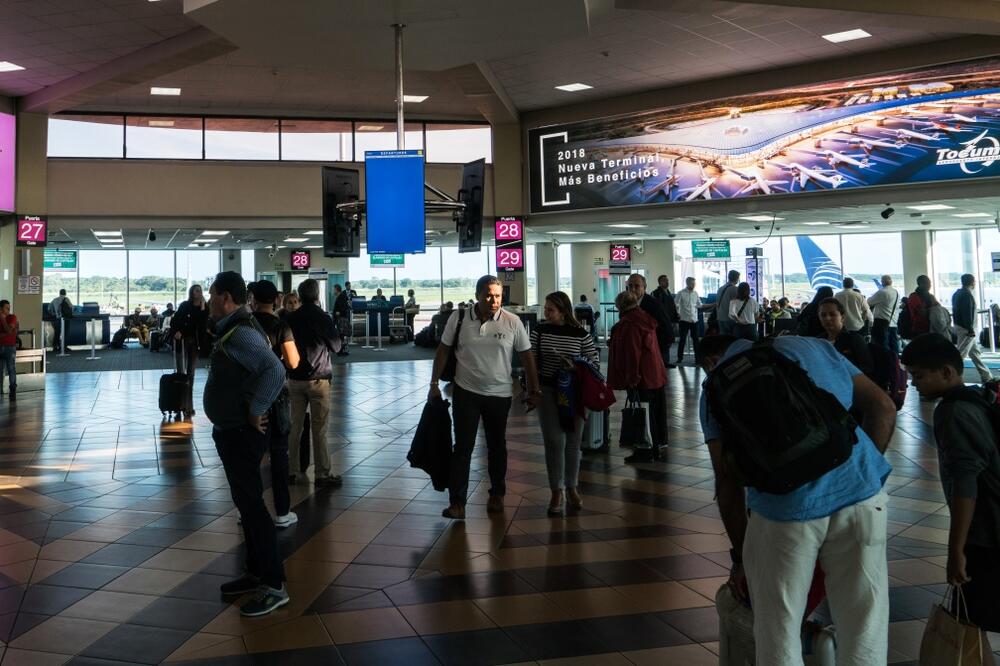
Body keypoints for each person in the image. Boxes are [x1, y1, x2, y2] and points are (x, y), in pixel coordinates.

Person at [699, 333, 896, 666]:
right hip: (861, 498)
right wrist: (861, 473)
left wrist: (740, 555)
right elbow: (883, 407)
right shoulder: (815, 347)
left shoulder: (717, 385)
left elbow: (728, 483)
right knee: (864, 624)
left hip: (782, 514)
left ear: (711, 361)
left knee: (777, 628)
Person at [900, 334, 1000, 654]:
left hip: (986, 532)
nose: (914, 383)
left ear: (946, 372)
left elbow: (965, 484)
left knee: (970, 617)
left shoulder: (953, 413)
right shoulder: (977, 398)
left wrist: (956, 548)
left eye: (918, 375)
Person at [203, 271, 288, 617]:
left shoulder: (241, 333)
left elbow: (276, 371)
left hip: (241, 433)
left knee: (252, 507)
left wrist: (256, 410)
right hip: (232, 431)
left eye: (212, 296)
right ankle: (255, 571)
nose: (208, 303)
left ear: (226, 298)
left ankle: (274, 584)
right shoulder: (234, 330)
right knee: (245, 503)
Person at [429, 275, 541, 520]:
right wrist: (434, 383)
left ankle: (497, 494)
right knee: (463, 448)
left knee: (496, 445)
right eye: (489, 295)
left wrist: (534, 389)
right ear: (477, 295)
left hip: (499, 394)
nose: (494, 300)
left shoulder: (512, 322)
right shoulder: (458, 319)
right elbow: (444, 350)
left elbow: (527, 356)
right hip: (466, 392)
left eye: (498, 296)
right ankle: (457, 502)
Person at [531, 291, 599, 516]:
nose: (546, 312)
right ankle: (556, 489)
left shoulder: (580, 334)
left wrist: (575, 366)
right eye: (545, 308)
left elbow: (594, 362)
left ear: (563, 311)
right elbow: (531, 358)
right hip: (549, 390)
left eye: (551, 309)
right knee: (554, 440)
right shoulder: (539, 331)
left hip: (575, 392)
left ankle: (571, 486)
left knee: (573, 441)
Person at [249, 280, 301, 528]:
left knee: (251, 456)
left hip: (249, 398)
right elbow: (293, 362)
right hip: (277, 395)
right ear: (276, 300)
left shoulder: (245, 325)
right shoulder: (282, 326)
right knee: (279, 454)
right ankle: (282, 512)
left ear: (253, 299)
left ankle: (247, 511)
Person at [286, 279, 341, 487]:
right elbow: (336, 347)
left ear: (299, 296)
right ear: (317, 295)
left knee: (295, 427)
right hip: (319, 380)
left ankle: (291, 471)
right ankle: (322, 474)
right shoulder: (323, 318)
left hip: (295, 379)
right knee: (319, 430)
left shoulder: (291, 319)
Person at [608, 290, 667, 463]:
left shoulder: (630, 324)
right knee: (651, 413)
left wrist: (632, 378)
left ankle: (645, 450)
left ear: (620, 306)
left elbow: (633, 354)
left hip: (642, 378)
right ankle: (654, 448)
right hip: (654, 374)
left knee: (643, 414)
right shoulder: (644, 318)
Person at [169, 284, 210, 413]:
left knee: (191, 370)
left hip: (195, 341)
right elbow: (174, 320)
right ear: (192, 293)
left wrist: (203, 308)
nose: (199, 293)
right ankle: (180, 396)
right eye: (196, 291)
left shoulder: (205, 308)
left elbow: (203, 323)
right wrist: (177, 331)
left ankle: (188, 396)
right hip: (183, 339)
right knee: (181, 369)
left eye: (200, 291)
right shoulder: (185, 305)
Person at [626, 273, 674, 369]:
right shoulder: (628, 303)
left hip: (653, 349)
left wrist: (660, 351)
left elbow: (665, 326)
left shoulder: (653, 304)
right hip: (637, 350)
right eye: (630, 286)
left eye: (637, 286)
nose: (633, 289)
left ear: (644, 287)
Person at [819, 297, 874, 379]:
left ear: (842, 317)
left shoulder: (854, 339)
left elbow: (868, 368)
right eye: (823, 315)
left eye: (832, 314)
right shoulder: (818, 341)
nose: (827, 318)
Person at [953, 273, 994, 384]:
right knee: (961, 354)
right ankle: (952, 378)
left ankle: (987, 376)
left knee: (975, 354)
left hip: (960, 327)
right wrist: (970, 329)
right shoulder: (967, 295)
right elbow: (967, 313)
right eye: (974, 281)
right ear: (972, 282)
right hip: (967, 329)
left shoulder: (957, 293)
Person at [868, 275, 901, 353]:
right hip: (893, 322)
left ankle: (886, 363)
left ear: (882, 282)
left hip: (882, 323)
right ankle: (895, 362)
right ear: (891, 282)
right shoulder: (896, 293)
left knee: (883, 346)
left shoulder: (882, 292)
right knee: (893, 345)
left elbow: (869, 302)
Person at [675, 277, 702, 364]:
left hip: (694, 320)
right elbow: (676, 304)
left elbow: (699, 305)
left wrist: (711, 305)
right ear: (687, 283)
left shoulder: (695, 293)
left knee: (696, 340)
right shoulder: (681, 293)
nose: (694, 285)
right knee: (682, 340)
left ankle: (698, 359)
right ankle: (680, 358)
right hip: (684, 320)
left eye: (694, 283)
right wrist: (678, 313)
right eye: (692, 283)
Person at [651, 274, 679, 342]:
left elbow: (672, 306)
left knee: (668, 341)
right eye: (665, 280)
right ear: (660, 282)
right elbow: (656, 309)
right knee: (662, 342)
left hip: (670, 320)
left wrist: (676, 317)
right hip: (661, 322)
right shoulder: (656, 293)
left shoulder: (668, 293)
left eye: (667, 280)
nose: (667, 282)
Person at [714, 270, 740, 336]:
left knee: (723, 340)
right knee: (732, 339)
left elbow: (717, 304)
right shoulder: (735, 289)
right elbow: (737, 305)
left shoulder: (720, 289)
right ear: (736, 278)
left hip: (720, 318)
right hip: (730, 319)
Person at [0, 300, 17, 401]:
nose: (8, 310)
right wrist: (9, 333)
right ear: (1, 309)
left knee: (11, 368)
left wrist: (2, 319)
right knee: (1, 369)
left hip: (10, 347)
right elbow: (9, 332)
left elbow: (8, 329)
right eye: (6, 308)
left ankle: (13, 390)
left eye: (9, 308)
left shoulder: (12, 317)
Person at [50, 288, 73, 353]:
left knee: (57, 333)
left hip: (56, 319)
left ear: (59, 293)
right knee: (65, 333)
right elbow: (71, 307)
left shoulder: (54, 300)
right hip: (65, 319)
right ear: (65, 293)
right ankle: (64, 347)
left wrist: (54, 314)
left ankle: (55, 347)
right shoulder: (66, 299)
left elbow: (49, 308)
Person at [332, 284, 351, 356]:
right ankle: (341, 350)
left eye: (334, 289)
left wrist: (338, 313)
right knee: (341, 335)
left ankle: (341, 350)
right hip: (341, 318)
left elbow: (342, 308)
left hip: (341, 319)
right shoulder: (341, 296)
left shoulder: (341, 297)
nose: (333, 291)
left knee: (341, 334)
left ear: (337, 289)